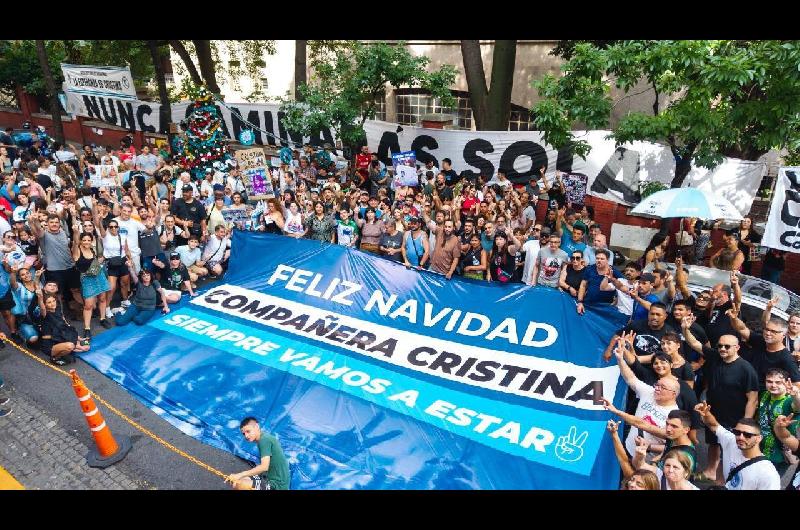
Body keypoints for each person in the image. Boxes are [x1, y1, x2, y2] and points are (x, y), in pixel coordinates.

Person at [683, 326, 759, 483]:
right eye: (720, 346)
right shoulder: (715, 356)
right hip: (713, 413)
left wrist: (745, 423)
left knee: (730, 450)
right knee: (713, 443)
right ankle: (711, 471)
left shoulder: (746, 369)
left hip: (734, 418)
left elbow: (752, 399)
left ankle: (722, 481)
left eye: (727, 346)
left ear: (737, 348)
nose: (722, 349)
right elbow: (694, 343)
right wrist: (685, 329)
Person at [613, 332, 680, 458]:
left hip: (648, 460)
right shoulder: (649, 391)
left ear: (673, 394)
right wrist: (620, 359)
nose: (657, 389)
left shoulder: (674, 415)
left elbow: (672, 443)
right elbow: (630, 378)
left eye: (662, 387)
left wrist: (649, 449)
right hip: (629, 448)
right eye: (657, 385)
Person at [694, 402, 780, 489]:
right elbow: (714, 425)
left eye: (747, 435)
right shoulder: (731, 441)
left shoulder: (767, 473)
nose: (741, 437)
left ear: (759, 438)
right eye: (737, 432)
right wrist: (706, 413)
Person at [729, 306, 800, 388]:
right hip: (743, 386)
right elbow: (742, 329)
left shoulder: (786, 358)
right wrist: (734, 318)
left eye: (773, 331)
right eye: (767, 329)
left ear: (783, 335)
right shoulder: (761, 341)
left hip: (763, 396)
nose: (768, 333)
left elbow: (797, 384)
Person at [756, 369, 800, 475]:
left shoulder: (789, 400)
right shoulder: (765, 395)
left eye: (778, 382)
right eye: (769, 381)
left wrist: (796, 395)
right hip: (760, 449)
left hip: (779, 454)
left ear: (785, 383)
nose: (773, 385)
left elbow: (798, 406)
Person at [228, 417, 290, 490]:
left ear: (257, 426)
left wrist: (239, 475)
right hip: (269, 477)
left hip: (277, 485)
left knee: (240, 484)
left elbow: (264, 467)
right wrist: (241, 476)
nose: (246, 436)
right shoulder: (264, 438)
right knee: (241, 480)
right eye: (244, 433)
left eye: (248, 431)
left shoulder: (264, 440)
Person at [71, 230, 111, 337]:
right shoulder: (77, 251)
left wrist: (99, 261)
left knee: (102, 298)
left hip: (99, 276)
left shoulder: (93, 250)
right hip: (87, 279)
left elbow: (98, 259)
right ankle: (87, 328)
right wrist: (75, 232)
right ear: (80, 241)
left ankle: (102, 318)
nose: (86, 242)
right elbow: (75, 242)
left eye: (89, 240)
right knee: (88, 305)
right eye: (84, 240)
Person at [37, 293, 90, 366]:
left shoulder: (57, 310)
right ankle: (55, 357)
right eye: (49, 302)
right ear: (45, 304)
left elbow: (65, 326)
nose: (52, 304)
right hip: (50, 344)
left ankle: (75, 345)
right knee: (70, 346)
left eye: (53, 301)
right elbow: (42, 307)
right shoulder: (45, 314)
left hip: (60, 338)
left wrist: (77, 338)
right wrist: (40, 297)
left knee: (86, 345)